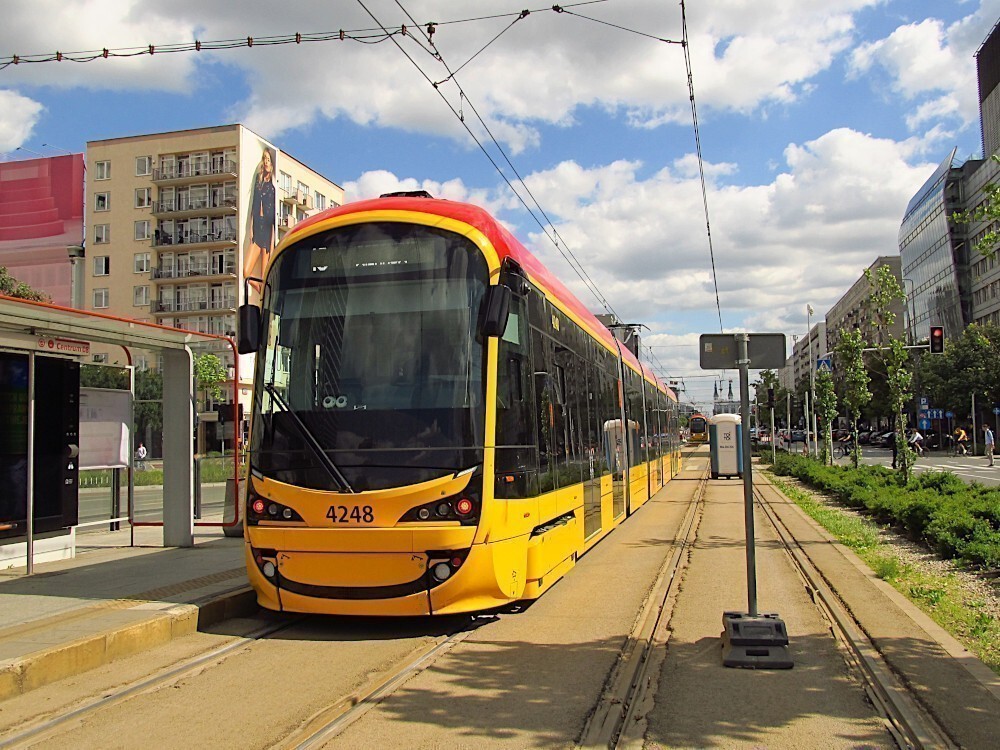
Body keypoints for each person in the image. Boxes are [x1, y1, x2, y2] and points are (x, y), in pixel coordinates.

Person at [242, 146, 276, 288]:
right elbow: (253, 208)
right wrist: (250, 229)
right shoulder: (258, 182)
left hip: (267, 231)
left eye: (268, 159)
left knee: (264, 277)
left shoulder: (272, 188)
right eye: (264, 159)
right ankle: (260, 292)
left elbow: (273, 219)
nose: (266, 162)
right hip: (257, 228)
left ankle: (263, 297)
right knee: (246, 272)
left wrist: (272, 244)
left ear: (272, 164)